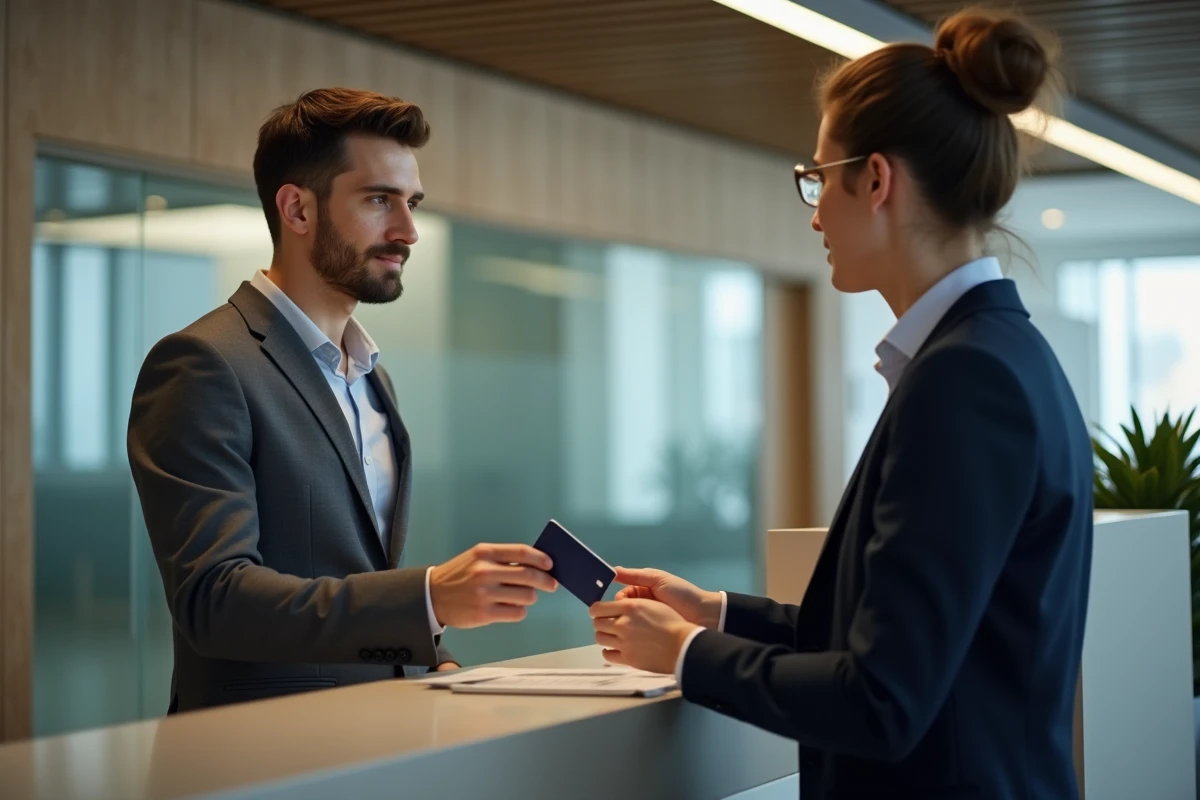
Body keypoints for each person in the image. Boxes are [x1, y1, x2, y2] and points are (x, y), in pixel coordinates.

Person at [590, 9, 1092, 799]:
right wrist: (715, 612)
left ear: (878, 179)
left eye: (819, 178)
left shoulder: (965, 382)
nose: (817, 211)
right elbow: (898, 635)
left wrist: (686, 653)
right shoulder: (996, 355)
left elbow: (881, 698)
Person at [128, 88, 557, 714]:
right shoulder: (203, 364)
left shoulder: (372, 378)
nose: (408, 230)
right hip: (255, 755)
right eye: (379, 200)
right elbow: (213, 600)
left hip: (378, 739)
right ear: (297, 209)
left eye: (410, 203)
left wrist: (432, 656)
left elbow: (351, 570)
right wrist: (430, 598)